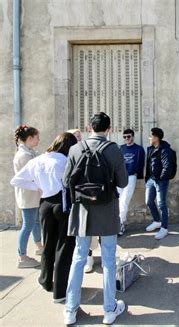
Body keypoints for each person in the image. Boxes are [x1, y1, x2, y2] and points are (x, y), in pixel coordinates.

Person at [62, 112, 128, 325]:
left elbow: (65, 181)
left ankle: (70, 310)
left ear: (89, 127)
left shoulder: (74, 148)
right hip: (107, 208)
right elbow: (123, 182)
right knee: (109, 259)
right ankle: (109, 310)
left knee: (79, 257)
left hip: (82, 209)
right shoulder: (113, 149)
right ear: (109, 129)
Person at [11, 132, 78, 303]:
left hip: (45, 204)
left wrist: (38, 186)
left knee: (48, 244)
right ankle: (60, 291)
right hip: (63, 204)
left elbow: (17, 180)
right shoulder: (65, 161)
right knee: (64, 246)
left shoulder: (37, 159)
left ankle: (46, 280)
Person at [12, 124, 42, 268]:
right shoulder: (24, 155)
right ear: (29, 138)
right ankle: (22, 256)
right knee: (27, 225)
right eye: (36, 137)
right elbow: (31, 176)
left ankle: (39, 246)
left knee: (35, 222)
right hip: (28, 196)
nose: (38, 140)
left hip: (33, 195)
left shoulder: (30, 152)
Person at [67, 128, 95, 273]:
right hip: (78, 198)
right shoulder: (71, 151)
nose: (78, 138)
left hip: (88, 196)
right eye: (75, 136)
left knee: (89, 233)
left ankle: (89, 259)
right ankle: (87, 259)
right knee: (83, 233)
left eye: (79, 135)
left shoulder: (86, 148)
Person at [144, 128, 174, 240]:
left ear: (156, 138)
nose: (149, 138)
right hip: (151, 180)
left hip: (161, 181)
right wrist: (148, 179)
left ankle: (164, 228)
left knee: (162, 204)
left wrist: (160, 178)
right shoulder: (151, 149)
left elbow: (167, 167)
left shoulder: (165, 150)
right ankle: (157, 221)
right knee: (148, 201)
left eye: (151, 136)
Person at [118, 128, 145, 236]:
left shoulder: (139, 149)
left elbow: (141, 163)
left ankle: (120, 224)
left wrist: (137, 174)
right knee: (117, 200)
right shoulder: (120, 148)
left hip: (131, 177)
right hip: (120, 177)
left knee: (124, 200)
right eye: (124, 137)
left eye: (128, 136)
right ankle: (117, 223)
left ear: (133, 136)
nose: (126, 139)